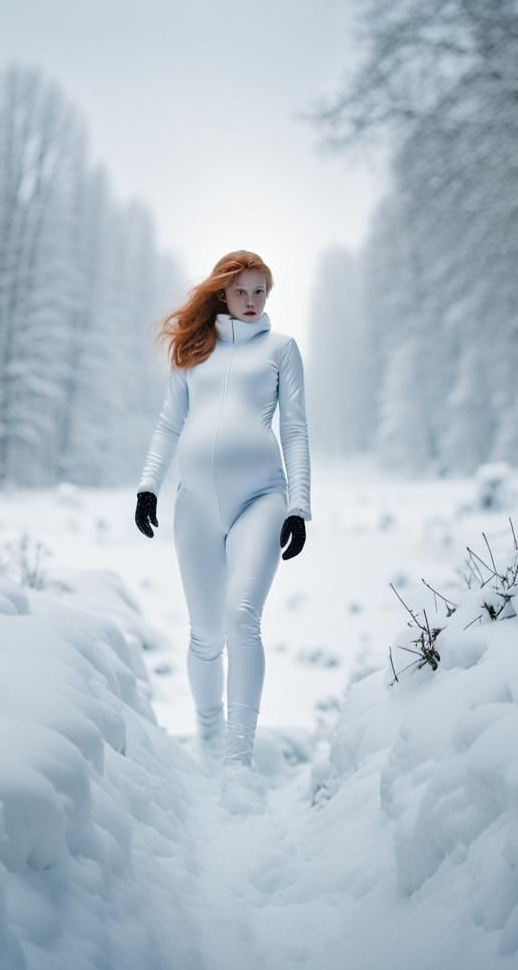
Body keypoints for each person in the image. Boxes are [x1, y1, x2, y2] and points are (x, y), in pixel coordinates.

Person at [134, 249, 312, 774]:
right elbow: (169, 424)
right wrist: (148, 486)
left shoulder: (282, 350)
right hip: (195, 505)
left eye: (260, 291)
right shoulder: (195, 350)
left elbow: (295, 430)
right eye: (242, 292)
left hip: (262, 498)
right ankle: (208, 738)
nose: (252, 301)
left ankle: (238, 759)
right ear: (223, 294)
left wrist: (299, 506)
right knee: (205, 635)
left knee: (241, 620)